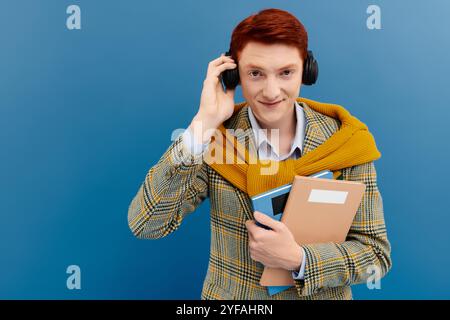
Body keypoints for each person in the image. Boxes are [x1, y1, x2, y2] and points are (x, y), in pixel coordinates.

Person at [128, 8, 392, 300]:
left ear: (306, 70)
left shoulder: (345, 143)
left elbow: (375, 257)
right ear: (233, 74)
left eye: (286, 73)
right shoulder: (218, 141)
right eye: (255, 73)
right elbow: (146, 224)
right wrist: (202, 124)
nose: (271, 90)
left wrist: (300, 259)